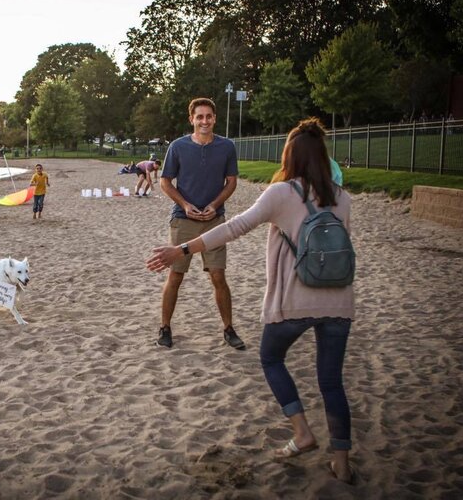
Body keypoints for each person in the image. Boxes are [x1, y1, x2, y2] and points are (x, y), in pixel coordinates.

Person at [146, 117, 355, 483]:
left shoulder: (281, 193)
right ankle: (342, 461)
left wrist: (180, 248)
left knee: (271, 358)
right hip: (339, 304)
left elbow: (233, 228)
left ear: (289, 156)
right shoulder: (343, 198)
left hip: (294, 302)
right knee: (332, 383)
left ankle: (302, 432)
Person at [155, 97, 244, 350]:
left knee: (218, 276)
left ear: (215, 119)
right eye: (199, 117)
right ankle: (164, 327)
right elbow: (165, 182)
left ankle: (228, 328)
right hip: (184, 220)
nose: (204, 121)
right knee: (176, 275)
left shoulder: (226, 147)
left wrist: (215, 205)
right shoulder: (178, 146)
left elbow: (231, 182)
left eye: (208, 116)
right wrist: (184, 204)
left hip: (215, 220)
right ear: (191, 119)